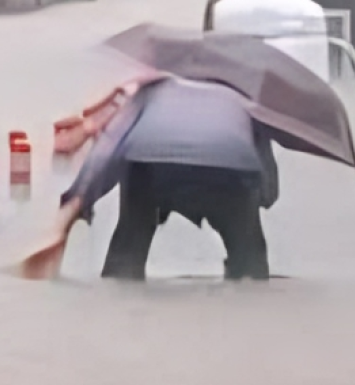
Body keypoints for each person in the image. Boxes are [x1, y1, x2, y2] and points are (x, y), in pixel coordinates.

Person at [24, 77, 279, 282]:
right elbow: (265, 173)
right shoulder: (243, 92)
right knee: (250, 265)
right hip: (227, 169)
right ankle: (250, 281)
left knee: (126, 257)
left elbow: (109, 148)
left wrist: (75, 204)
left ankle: (121, 284)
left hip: (152, 169)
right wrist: (262, 200)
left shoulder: (150, 86)